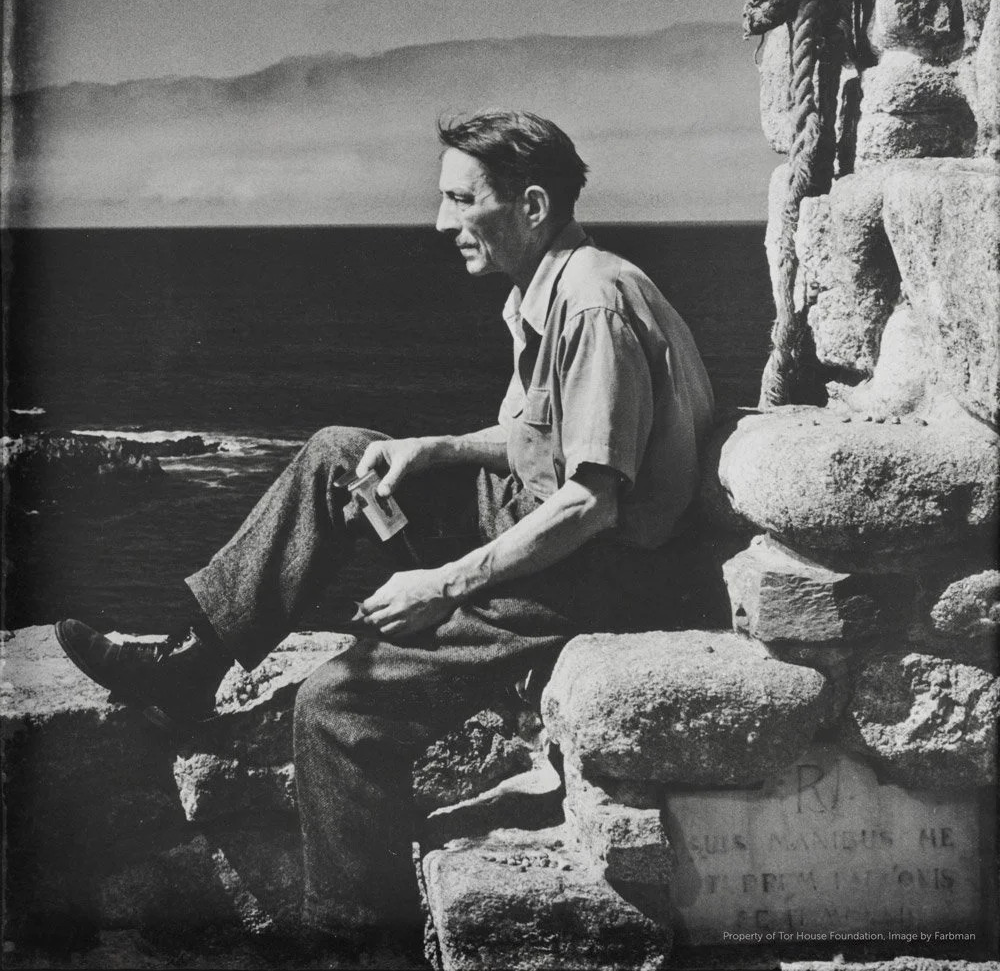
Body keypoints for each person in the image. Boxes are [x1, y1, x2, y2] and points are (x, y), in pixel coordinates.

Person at [55, 109, 715, 957]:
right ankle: (193, 663)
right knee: (344, 458)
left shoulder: (592, 306)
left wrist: (440, 583)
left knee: (335, 705)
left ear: (533, 204)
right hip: (551, 531)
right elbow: (535, 442)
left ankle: (356, 944)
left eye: (459, 200)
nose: (442, 223)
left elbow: (592, 505)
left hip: (598, 578)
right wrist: (430, 449)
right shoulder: (548, 288)